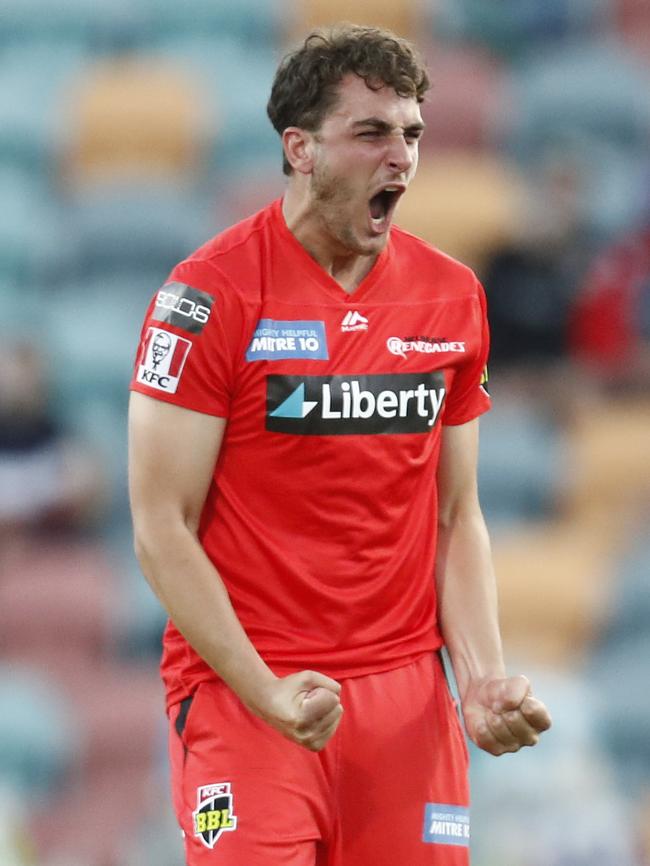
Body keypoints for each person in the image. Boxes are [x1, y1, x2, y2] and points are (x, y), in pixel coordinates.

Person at [128, 23, 551, 866]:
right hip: (248, 695)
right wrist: (268, 693)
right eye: (371, 133)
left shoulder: (450, 297)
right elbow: (160, 528)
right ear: (301, 149)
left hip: (404, 703)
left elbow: (455, 515)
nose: (401, 157)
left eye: (412, 134)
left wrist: (482, 680)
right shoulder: (207, 298)